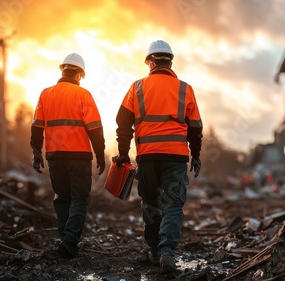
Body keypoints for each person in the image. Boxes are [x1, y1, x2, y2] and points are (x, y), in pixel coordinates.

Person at [114, 39, 203, 274]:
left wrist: (123, 154)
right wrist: (196, 155)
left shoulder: (137, 87)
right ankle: (167, 253)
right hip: (175, 157)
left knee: (151, 203)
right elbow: (195, 128)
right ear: (170, 61)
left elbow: (123, 123)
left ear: (150, 62)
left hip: (148, 156)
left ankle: (154, 251)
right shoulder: (185, 89)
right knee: (173, 203)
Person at [30, 53, 106, 259]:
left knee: (62, 198)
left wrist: (36, 153)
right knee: (79, 199)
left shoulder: (46, 94)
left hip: (54, 156)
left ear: (62, 70)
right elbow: (95, 128)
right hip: (79, 157)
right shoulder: (83, 95)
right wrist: (100, 155)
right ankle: (70, 242)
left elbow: (37, 127)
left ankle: (66, 241)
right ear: (80, 74)